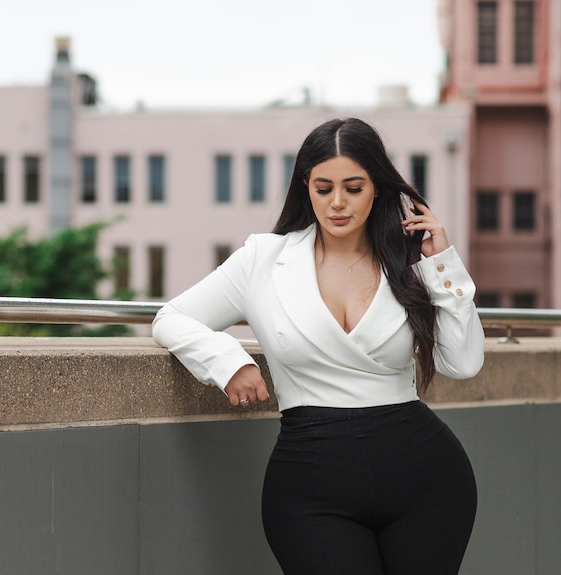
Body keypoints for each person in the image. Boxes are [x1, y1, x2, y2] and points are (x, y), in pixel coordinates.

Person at [152, 117, 485, 574]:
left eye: (353, 187)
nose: (337, 203)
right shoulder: (263, 260)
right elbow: (171, 317)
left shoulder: (409, 260)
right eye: (323, 188)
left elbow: (463, 362)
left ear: (377, 188)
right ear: (305, 186)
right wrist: (227, 361)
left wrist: (443, 265)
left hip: (427, 480)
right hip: (311, 485)